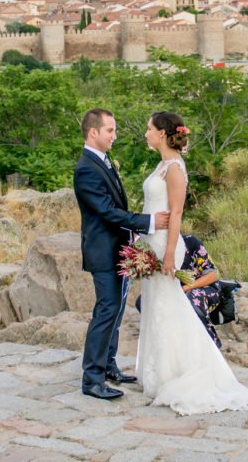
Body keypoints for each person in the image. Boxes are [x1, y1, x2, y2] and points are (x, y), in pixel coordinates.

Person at [135, 111, 248, 415]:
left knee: (171, 306)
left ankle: (183, 372)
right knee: (156, 306)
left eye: (150, 129)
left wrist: (168, 254)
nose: (146, 133)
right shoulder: (162, 164)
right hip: (153, 242)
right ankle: (159, 372)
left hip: (167, 245)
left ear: (163, 133)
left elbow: (176, 213)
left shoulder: (175, 168)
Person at [73, 108, 169, 401]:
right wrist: (148, 221)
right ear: (94, 133)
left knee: (114, 310)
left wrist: (134, 234)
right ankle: (92, 378)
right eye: (110, 131)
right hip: (102, 252)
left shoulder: (102, 161)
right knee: (105, 311)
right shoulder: (86, 168)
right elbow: (105, 211)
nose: (115, 135)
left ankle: (108, 366)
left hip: (118, 248)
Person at [136, 234, 224, 348]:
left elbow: (212, 275)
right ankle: (170, 344)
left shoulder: (190, 242)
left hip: (201, 287)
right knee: (142, 300)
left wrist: (186, 288)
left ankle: (210, 344)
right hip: (172, 291)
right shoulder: (153, 248)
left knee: (191, 298)